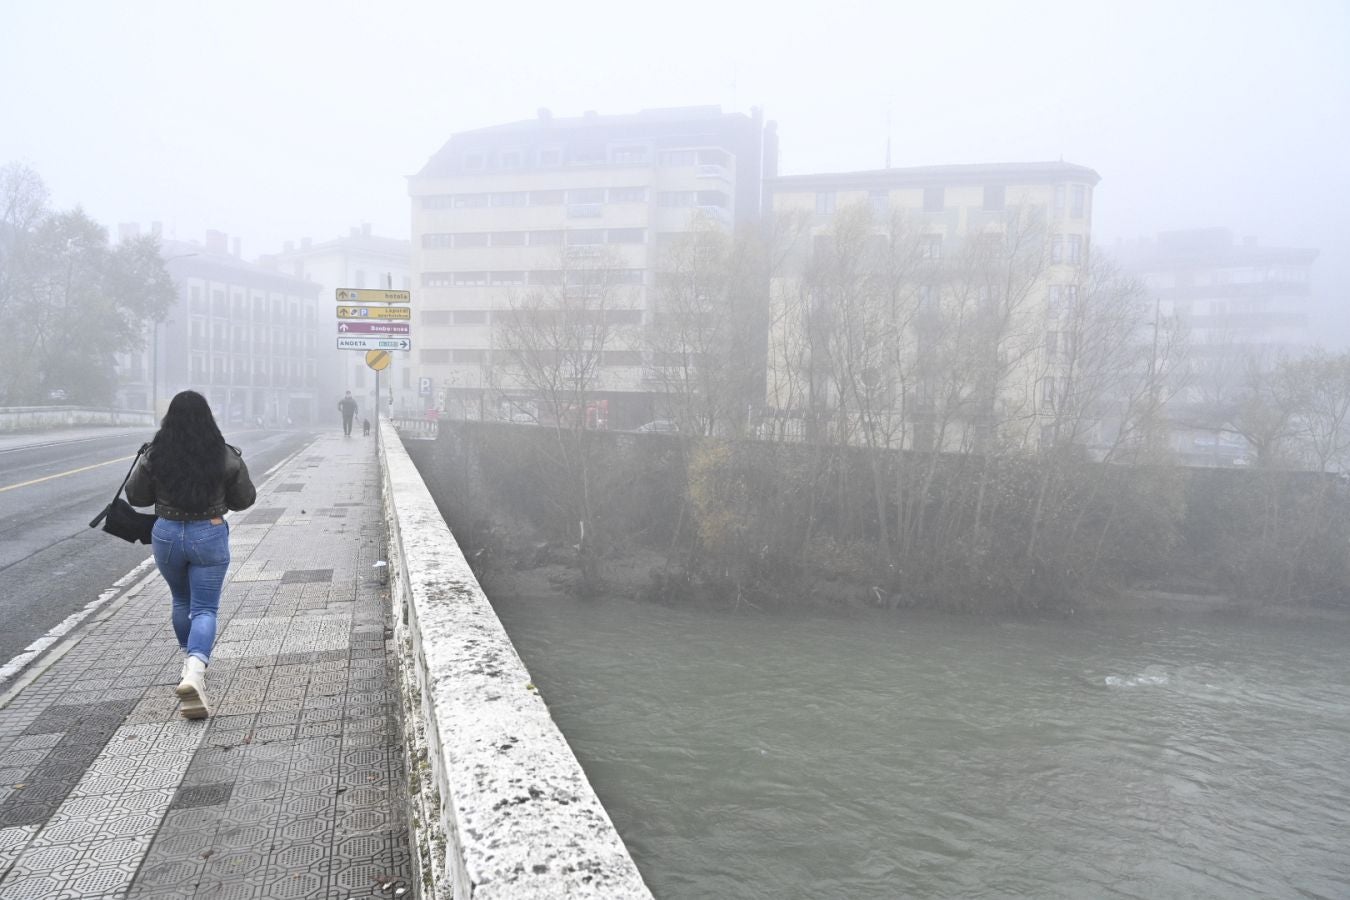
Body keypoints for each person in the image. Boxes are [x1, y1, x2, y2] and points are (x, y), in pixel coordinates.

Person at [126, 390, 256, 719]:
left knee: (181, 600)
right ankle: (195, 672)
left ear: (169, 418)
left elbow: (136, 497)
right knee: (205, 608)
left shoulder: (155, 454)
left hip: (167, 533)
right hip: (208, 532)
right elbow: (244, 500)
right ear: (208, 417)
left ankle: (189, 665)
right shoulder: (223, 454)